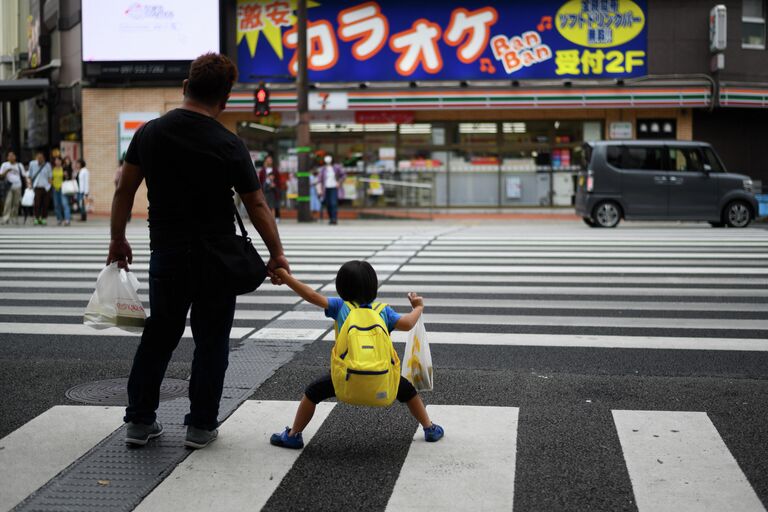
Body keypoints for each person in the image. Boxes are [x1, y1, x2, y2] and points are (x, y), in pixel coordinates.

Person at [107, 52, 289, 450]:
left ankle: (139, 421)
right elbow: (256, 204)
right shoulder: (229, 143)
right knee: (212, 341)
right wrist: (276, 254)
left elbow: (124, 190)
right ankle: (200, 426)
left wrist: (118, 239)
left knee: (159, 336)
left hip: (168, 254)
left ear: (185, 87)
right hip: (216, 259)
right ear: (224, 100)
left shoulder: (149, 134)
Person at [269, 261, 444, 449]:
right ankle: (429, 428)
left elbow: (311, 295)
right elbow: (408, 324)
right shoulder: (382, 311)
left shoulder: (340, 306)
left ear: (341, 288)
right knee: (409, 393)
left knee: (312, 394)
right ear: (373, 287)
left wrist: (286, 277)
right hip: (382, 375)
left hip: (345, 376)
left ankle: (293, 434)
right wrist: (417, 307)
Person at [0, 150, 27, 224]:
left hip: (18, 186)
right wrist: (7, 171)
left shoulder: (19, 165)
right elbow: (1, 176)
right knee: (8, 202)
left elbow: (24, 176)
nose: (10, 157)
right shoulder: (5, 165)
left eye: (12, 155)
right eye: (9, 156)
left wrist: (27, 185)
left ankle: (14, 218)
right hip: (8, 187)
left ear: (15, 157)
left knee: (16, 203)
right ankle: (5, 218)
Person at [318, 155, 345, 224]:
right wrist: (319, 189)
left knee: (333, 203)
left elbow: (343, 175)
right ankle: (330, 218)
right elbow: (319, 179)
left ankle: (334, 219)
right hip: (326, 188)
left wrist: (339, 182)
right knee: (328, 204)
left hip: (334, 188)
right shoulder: (323, 169)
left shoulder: (337, 167)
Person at [28, 151, 52, 225]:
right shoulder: (32, 164)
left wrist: (50, 186)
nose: (39, 159)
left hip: (46, 187)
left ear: (44, 158)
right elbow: (30, 175)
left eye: (41, 158)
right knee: (37, 204)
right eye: (38, 158)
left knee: (45, 204)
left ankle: (44, 218)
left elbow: (50, 176)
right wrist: (30, 185)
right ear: (36, 158)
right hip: (37, 186)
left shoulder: (47, 165)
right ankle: (36, 218)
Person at [258, 153, 282, 223]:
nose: (269, 161)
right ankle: (267, 219)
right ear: (266, 161)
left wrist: (276, 186)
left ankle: (275, 218)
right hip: (265, 190)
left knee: (274, 205)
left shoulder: (275, 170)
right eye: (268, 160)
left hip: (273, 191)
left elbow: (278, 180)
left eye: (270, 160)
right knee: (266, 205)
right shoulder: (262, 171)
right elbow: (260, 180)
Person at [51, 156, 72, 226]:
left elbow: (69, 176)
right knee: (57, 205)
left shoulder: (64, 168)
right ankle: (59, 219)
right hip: (55, 188)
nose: (57, 162)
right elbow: (51, 178)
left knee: (65, 204)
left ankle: (67, 220)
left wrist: (66, 175)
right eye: (56, 160)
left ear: (61, 161)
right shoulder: (53, 169)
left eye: (58, 160)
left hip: (63, 189)